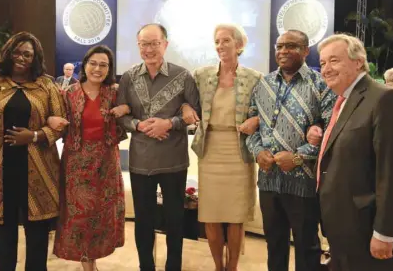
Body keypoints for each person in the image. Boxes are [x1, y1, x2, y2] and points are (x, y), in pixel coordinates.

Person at [315, 33, 393, 271]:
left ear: (358, 62)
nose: (326, 69)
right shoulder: (344, 101)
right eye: (322, 63)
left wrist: (384, 232)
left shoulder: (384, 99)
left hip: (368, 229)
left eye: (334, 60)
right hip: (345, 227)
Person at [0, 32, 67, 271]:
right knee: (2, 232)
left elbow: (61, 125)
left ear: (35, 58)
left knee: (37, 234)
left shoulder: (46, 85)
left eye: (28, 54)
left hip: (39, 169)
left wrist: (34, 136)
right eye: (17, 52)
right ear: (8, 53)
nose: (21, 58)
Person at [245, 29, 336, 271]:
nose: (283, 50)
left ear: (306, 51)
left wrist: (297, 157)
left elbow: (331, 134)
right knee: (274, 245)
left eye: (291, 46)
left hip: (303, 182)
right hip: (269, 181)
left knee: (307, 247)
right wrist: (257, 151)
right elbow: (252, 125)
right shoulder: (263, 84)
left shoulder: (321, 85)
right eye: (279, 46)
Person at [116, 23, 200, 271]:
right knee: (143, 221)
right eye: (144, 44)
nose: (149, 49)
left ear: (166, 44)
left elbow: (196, 113)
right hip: (141, 161)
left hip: (173, 160)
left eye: (154, 43)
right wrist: (138, 125)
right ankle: (146, 266)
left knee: (175, 220)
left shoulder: (183, 76)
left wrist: (170, 123)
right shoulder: (129, 77)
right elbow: (121, 114)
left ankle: (173, 266)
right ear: (138, 46)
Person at [181, 23, 262, 271]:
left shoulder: (255, 78)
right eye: (217, 41)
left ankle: (233, 267)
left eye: (226, 41)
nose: (220, 46)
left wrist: (255, 120)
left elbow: (266, 112)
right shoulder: (201, 75)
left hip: (240, 152)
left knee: (236, 216)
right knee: (211, 214)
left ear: (239, 45)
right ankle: (218, 266)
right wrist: (185, 107)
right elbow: (184, 99)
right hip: (211, 150)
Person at [48, 45, 129, 271]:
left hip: (106, 162)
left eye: (104, 65)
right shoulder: (68, 94)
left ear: (109, 69)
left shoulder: (115, 92)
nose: (97, 68)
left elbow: (131, 113)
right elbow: (56, 121)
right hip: (76, 163)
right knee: (80, 215)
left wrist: (126, 107)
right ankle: (88, 266)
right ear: (84, 65)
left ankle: (93, 260)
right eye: (93, 63)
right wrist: (50, 121)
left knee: (101, 215)